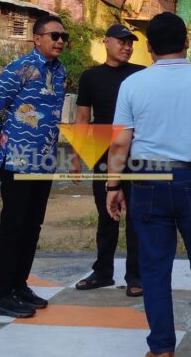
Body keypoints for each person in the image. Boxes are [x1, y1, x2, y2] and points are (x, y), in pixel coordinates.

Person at [105, 12, 191, 357]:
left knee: (154, 268)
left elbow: (120, 143)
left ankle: (162, 349)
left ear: (149, 47)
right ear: (186, 44)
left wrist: (113, 185)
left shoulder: (133, 84)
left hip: (148, 180)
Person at [0, 15, 67, 319]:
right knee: (14, 226)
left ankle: (20, 285)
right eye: (54, 35)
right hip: (17, 159)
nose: (59, 41)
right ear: (37, 38)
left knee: (33, 226)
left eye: (63, 37)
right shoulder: (18, 69)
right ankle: (3, 294)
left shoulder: (59, 72)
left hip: (43, 161)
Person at [74, 24, 144, 297]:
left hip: (136, 154)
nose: (127, 47)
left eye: (131, 43)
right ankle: (102, 272)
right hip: (103, 153)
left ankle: (135, 276)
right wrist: (77, 157)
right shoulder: (90, 77)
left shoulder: (140, 74)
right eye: (122, 41)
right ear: (106, 42)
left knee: (136, 218)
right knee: (107, 216)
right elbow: (82, 118)